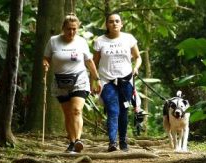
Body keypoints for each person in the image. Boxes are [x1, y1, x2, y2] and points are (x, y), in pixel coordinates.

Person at [43, 13, 99, 153]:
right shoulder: (53, 41)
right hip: (60, 81)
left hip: (79, 79)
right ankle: (72, 142)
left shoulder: (81, 42)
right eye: (69, 29)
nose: (71, 32)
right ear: (63, 28)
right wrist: (45, 65)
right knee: (68, 113)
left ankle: (78, 140)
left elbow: (89, 61)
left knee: (76, 110)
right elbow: (46, 58)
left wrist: (96, 79)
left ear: (77, 28)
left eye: (74, 29)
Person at [93, 13, 142, 152]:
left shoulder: (129, 38)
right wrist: (93, 81)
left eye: (117, 21)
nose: (114, 24)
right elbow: (94, 63)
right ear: (107, 25)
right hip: (107, 81)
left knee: (124, 111)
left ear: (121, 24)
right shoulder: (100, 41)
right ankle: (112, 142)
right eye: (111, 21)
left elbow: (138, 57)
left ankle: (123, 141)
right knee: (113, 110)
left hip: (126, 81)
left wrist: (136, 68)